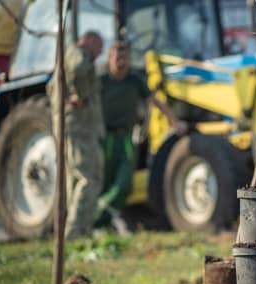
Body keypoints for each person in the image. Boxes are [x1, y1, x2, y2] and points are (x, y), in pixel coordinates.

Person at [95, 41, 186, 231]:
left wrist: (173, 120)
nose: (122, 62)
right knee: (104, 181)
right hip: (106, 137)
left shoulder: (134, 80)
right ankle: (101, 222)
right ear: (110, 59)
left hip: (127, 137)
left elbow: (155, 101)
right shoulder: (101, 81)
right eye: (118, 58)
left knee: (124, 183)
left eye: (125, 58)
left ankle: (102, 216)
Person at [46, 31, 104, 239]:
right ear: (90, 41)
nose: (100, 53)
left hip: (72, 126)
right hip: (78, 126)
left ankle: (75, 230)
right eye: (100, 47)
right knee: (88, 177)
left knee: (76, 177)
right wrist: (80, 94)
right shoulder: (79, 54)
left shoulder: (70, 55)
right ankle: (76, 230)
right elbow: (79, 69)